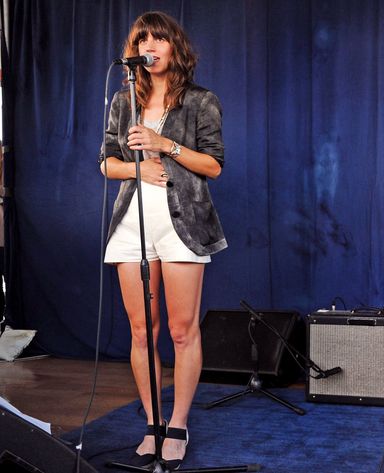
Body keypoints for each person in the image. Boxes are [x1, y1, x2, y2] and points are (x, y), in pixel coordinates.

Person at [99, 11, 227, 468]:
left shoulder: (200, 101)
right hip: (132, 224)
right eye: (141, 40)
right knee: (140, 330)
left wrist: (164, 145)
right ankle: (153, 423)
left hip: (184, 224)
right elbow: (106, 164)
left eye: (158, 39)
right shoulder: (122, 102)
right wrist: (136, 167)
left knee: (180, 330)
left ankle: (178, 425)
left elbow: (213, 165)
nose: (149, 46)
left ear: (174, 47)